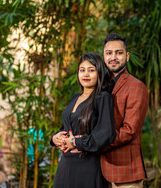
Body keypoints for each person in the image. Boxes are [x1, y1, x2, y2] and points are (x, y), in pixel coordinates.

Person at [51, 52, 116, 188]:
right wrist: (56, 138)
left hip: (87, 165)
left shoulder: (102, 98)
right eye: (82, 70)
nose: (85, 74)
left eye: (91, 70)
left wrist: (76, 142)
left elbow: (106, 135)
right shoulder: (75, 97)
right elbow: (67, 128)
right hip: (66, 164)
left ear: (99, 73)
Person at [100, 33, 149, 188]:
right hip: (96, 170)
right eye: (109, 53)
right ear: (104, 56)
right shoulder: (98, 85)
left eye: (118, 53)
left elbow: (129, 131)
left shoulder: (136, 86)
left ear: (127, 56)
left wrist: (94, 144)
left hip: (125, 172)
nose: (113, 57)